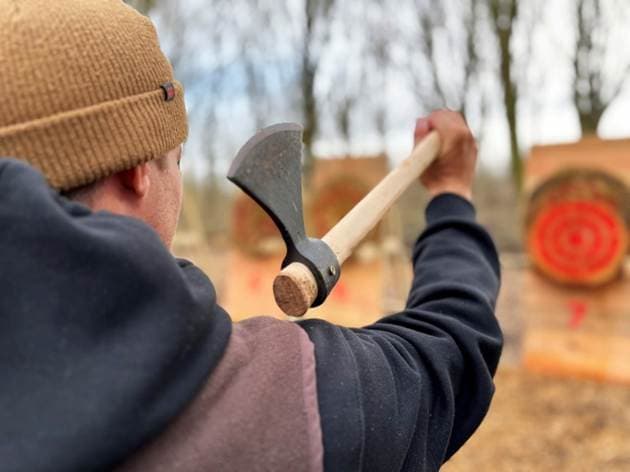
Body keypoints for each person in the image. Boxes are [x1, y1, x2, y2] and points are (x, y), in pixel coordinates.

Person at [0, 1, 502, 471]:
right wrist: (452, 194)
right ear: (137, 172)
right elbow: (449, 356)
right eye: (177, 159)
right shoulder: (268, 406)